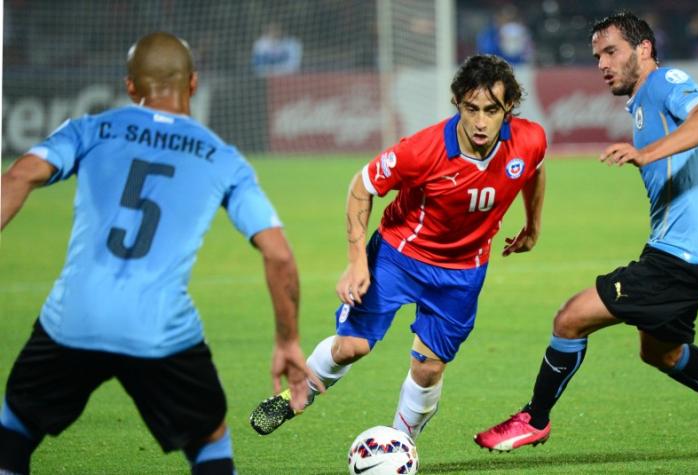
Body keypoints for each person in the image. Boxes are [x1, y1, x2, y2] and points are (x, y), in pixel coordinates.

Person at [474, 12, 698, 460]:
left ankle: (535, 420)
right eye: (596, 56)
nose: (602, 64)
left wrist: (646, 153)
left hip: (683, 259)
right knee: (661, 353)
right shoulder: (648, 103)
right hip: (691, 254)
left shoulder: (667, 83)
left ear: (643, 49)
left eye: (611, 52)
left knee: (570, 318)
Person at [0, 32, 319, 475]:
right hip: (159, 331)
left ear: (131, 87)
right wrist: (287, 339)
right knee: (210, 439)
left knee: (15, 426)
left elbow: (17, 177)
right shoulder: (223, 159)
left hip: (73, 319)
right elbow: (279, 254)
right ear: (193, 83)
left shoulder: (90, 129)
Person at [248, 54, 547, 442]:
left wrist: (533, 226)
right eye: (471, 108)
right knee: (352, 346)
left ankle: (399, 446)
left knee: (428, 368)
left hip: (463, 271)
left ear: (509, 107)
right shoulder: (421, 151)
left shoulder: (530, 138)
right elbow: (362, 186)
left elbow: (533, 169)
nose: (480, 122)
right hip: (398, 256)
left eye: (491, 110)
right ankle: (298, 395)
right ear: (457, 103)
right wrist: (357, 262)